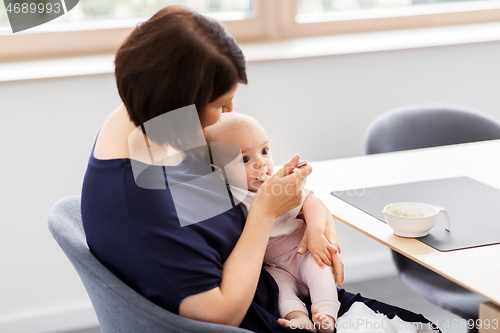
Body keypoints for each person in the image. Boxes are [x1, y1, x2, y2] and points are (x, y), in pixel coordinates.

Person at [81, 5, 440, 333]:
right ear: (176, 100)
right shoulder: (143, 198)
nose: (229, 109)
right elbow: (222, 316)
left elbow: (224, 214)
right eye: (220, 103)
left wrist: (310, 217)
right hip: (264, 314)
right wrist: (265, 213)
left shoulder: (150, 125)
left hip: (278, 284)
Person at [204, 112, 341, 332]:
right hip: (273, 267)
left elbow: (312, 201)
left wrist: (316, 234)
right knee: (281, 293)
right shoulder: (228, 199)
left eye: (265, 151)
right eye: (245, 159)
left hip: (302, 251)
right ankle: (300, 318)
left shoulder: (277, 186)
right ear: (219, 172)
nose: (261, 163)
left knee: (321, 273)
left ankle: (327, 317)